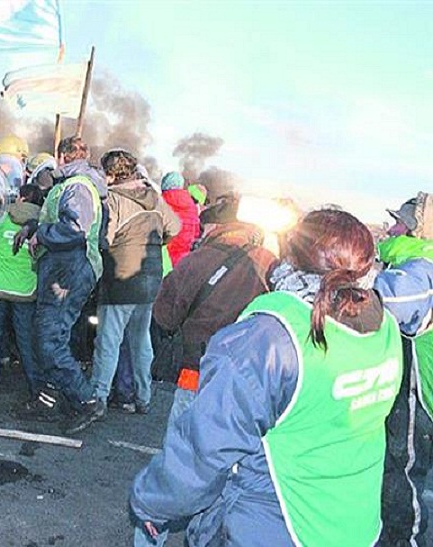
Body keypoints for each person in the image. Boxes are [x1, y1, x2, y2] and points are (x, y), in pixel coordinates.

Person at [130, 209, 402, 547]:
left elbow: (205, 450)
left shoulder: (270, 338)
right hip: (355, 525)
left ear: (291, 258)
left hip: (276, 525)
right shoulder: (386, 326)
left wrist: (152, 502)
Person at [69, 149, 180, 433]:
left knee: (108, 341)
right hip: (151, 277)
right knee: (141, 340)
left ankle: (98, 397)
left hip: (121, 280)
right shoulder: (154, 197)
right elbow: (175, 227)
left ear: (111, 174)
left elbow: (104, 240)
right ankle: (144, 397)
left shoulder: (113, 200)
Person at [151, 198, 277, 425]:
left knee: (183, 437)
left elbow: (165, 316)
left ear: (216, 227)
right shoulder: (268, 262)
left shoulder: (197, 259)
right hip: (244, 376)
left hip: (196, 367)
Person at [15, 136, 106, 428]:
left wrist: (41, 235)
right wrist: (34, 227)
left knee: (49, 339)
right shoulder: (73, 184)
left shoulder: (77, 186)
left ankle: (86, 400)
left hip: (69, 270)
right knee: (51, 336)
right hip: (63, 268)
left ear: (62, 156)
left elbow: (75, 229)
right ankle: (49, 400)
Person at [374, 192, 433, 546]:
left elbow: (384, 302)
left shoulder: (421, 269)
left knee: (404, 476)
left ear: (415, 231)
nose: (390, 229)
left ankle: (402, 540)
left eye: (399, 222)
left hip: (417, 397)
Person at [0, 183, 44, 399]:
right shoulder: (44, 223)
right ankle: (36, 387)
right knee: (26, 338)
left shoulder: (2, 216)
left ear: (20, 198)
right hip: (24, 289)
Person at [160, 172, 200, 268]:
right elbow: (196, 233)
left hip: (163, 256)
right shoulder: (192, 206)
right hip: (183, 258)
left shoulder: (160, 202)